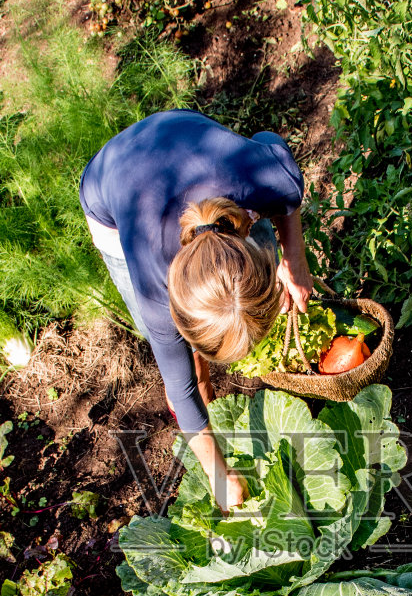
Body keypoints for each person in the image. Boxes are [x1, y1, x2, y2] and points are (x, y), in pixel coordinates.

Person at [79, 109, 314, 510]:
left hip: (181, 134)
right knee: (178, 365)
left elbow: (271, 142)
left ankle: (203, 373)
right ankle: (200, 372)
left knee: (266, 237)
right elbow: (180, 388)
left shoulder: (266, 178)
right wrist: (219, 477)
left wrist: (294, 257)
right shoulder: (154, 290)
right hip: (112, 181)